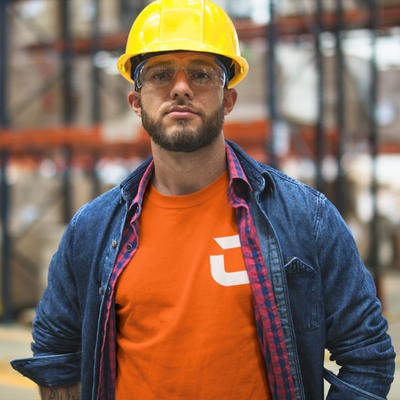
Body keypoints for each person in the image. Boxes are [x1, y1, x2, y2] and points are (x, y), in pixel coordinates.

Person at [11, 1, 395, 399]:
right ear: (136, 102)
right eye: (160, 75)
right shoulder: (92, 230)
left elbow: (367, 355)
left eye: (201, 74)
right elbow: (57, 353)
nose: (181, 87)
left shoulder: (304, 217)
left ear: (228, 100)